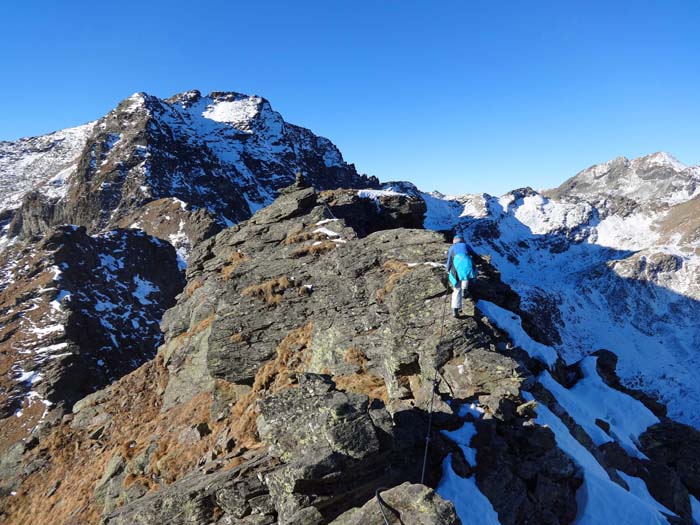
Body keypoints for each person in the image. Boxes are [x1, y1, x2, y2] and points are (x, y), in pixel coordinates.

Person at [446, 235, 478, 318]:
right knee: (466, 275)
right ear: (462, 240)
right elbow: (474, 255)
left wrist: (448, 269)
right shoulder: (465, 246)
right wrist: (481, 261)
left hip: (455, 269)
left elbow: (449, 261)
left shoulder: (452, 248)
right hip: (467, 266)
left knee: (456, 289)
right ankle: (465, 290)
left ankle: (455, 309)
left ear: (454, 241)